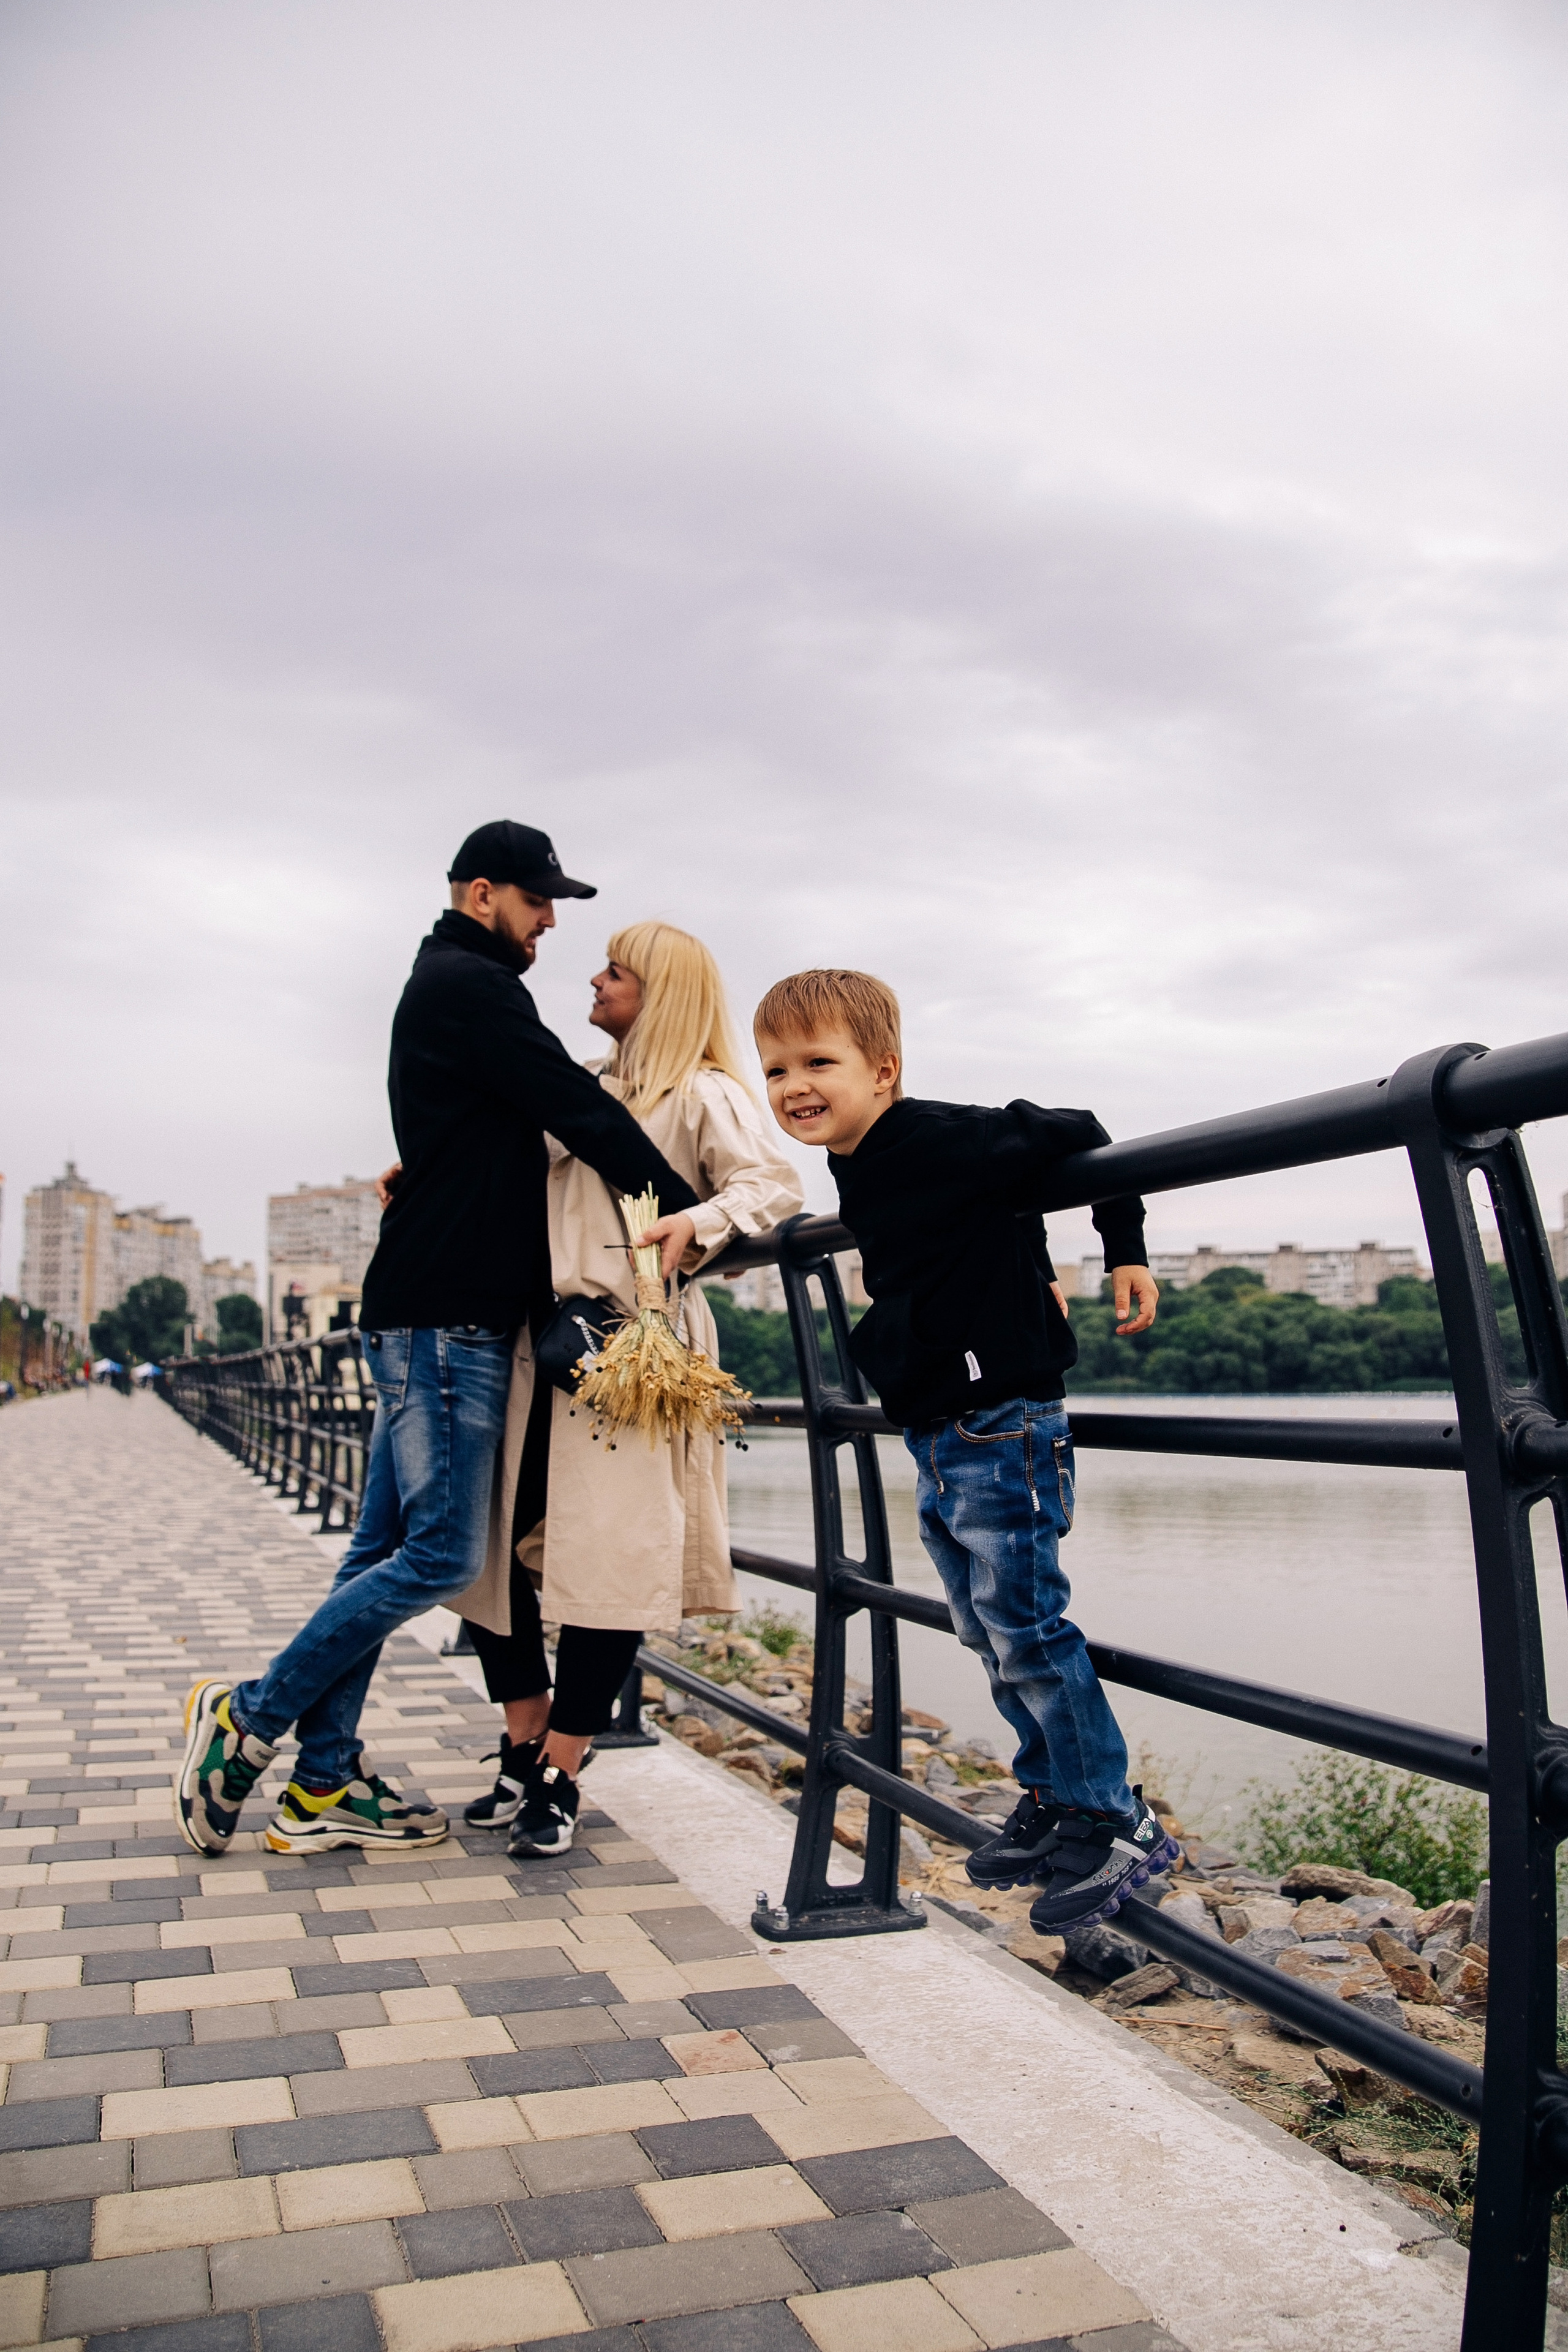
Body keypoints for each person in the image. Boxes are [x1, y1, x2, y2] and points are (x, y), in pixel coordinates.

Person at [176, 823, 701, 1858]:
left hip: (430, 1307)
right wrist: (691, 1214)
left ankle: (321, 1783)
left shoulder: (446, 982)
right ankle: (248, 1714)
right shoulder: (472, 985)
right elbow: (578, 1110)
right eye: (538, 899)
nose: (550, 918)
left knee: (380, 1550)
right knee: (445, 1552)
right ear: (480, 895)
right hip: (447, 1319)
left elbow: (505, 1129)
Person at [753, 967, 1174, 1934]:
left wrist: (1125, 1250)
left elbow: (1082, 1131)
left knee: (1026, 1623)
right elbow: (976, 1232)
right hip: (944, 1430)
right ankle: (1055, 1796)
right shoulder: (858, 1158)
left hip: (1002, 1421)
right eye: (777, 1069)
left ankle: (1115, 1817)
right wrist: (1024, 1267)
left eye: (820, 1062)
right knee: (986, 1627)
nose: (795, 1086)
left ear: (884, 1071)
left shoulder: (941, 1134)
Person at [457, 920, 802, 1857]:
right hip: (533, 1342)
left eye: (618, 970)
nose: (597, 979)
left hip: (630, 1343)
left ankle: (562, 1768)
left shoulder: (701, 1092)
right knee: (485, 1551)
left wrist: (699, 1220)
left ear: (663, 992)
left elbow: (772, 1183)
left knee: (612, 1560)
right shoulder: (577, 1085)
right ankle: (524, 1738)